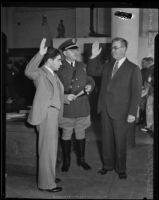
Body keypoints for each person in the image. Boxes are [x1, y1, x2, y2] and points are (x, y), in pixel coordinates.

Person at [87, 37, 142, 179]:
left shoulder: (133, 68)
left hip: (122, 111)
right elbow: (92, 70)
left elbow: (136, 92)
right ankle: (107, 166)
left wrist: (132, 113)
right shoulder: (107, 66)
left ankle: (121, 169)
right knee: (106, 140)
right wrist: (93, 56)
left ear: (124, 49)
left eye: (116, 48)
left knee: (120, 142)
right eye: (112, 48)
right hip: (105, 109)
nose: (113, 51)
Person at [25, 38, 66, 192]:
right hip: (46, 115)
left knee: (51, 149)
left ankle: (48, 176)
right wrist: (40, 54)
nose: (61, 63)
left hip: (53, 115)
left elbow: (54, 93)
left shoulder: (53, 74)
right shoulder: (40, 73)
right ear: (49, 61)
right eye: (58, 60)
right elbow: (28, 71)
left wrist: (66, 98)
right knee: (47, 150)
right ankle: (46, 184)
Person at [57, 38, 95, 172]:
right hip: (67, 106)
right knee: (66, 134)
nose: (75, 52)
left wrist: (91, 85)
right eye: (71, 50)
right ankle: (66, 161)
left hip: (82, 105)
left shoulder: (82, 65)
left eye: (76, 49)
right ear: (64, 53)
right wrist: (64, 97)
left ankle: (82, 159)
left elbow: (90, 80)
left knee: (81, 133)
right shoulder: (58, 67)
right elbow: (53, 88)